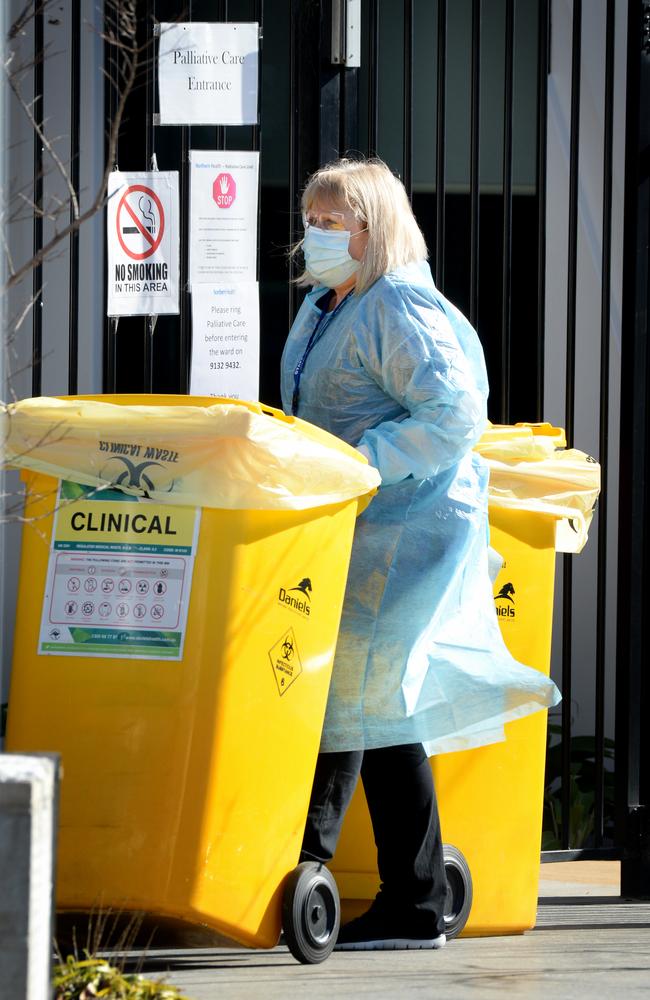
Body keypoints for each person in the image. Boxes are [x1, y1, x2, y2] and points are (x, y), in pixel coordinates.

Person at [280, 158, 559, 952]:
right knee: (353, 697)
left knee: (370, 699)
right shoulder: (326, 302)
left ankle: (406, 896)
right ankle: (346, 870)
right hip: (352, 523)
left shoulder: (399, 304)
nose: (317, 234)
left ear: (374, 226)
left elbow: (454, 414)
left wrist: (366, 457)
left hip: (406, 521)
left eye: (333, 222)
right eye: (313, 219)